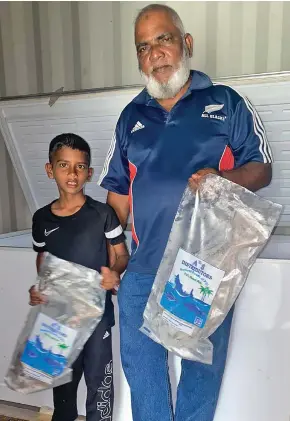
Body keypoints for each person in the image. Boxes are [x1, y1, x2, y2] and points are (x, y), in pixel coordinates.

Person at [98, 4, 273, 421]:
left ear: (185, 43)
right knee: (143, 370)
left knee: (200, 370)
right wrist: (109, 259)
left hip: (203, 268)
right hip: (141, 269)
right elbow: (117, 200)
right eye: (143, 46)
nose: (154, 53)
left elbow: (262, 168)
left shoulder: (227, 102)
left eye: (163, 39)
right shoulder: (129, 118)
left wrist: (223, 177)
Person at [29, 133, 129, 421]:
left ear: (89, 172)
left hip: (98, 318)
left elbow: (121, 255)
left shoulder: (103, 214)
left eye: (80, 167)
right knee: (62, 391)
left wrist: (115, 272)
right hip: (59, 320)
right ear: (50, 170)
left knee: (100, 386)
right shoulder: (41, 220)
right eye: (63, 165)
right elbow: (42, 257)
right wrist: (41, 287)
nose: (72, 174)